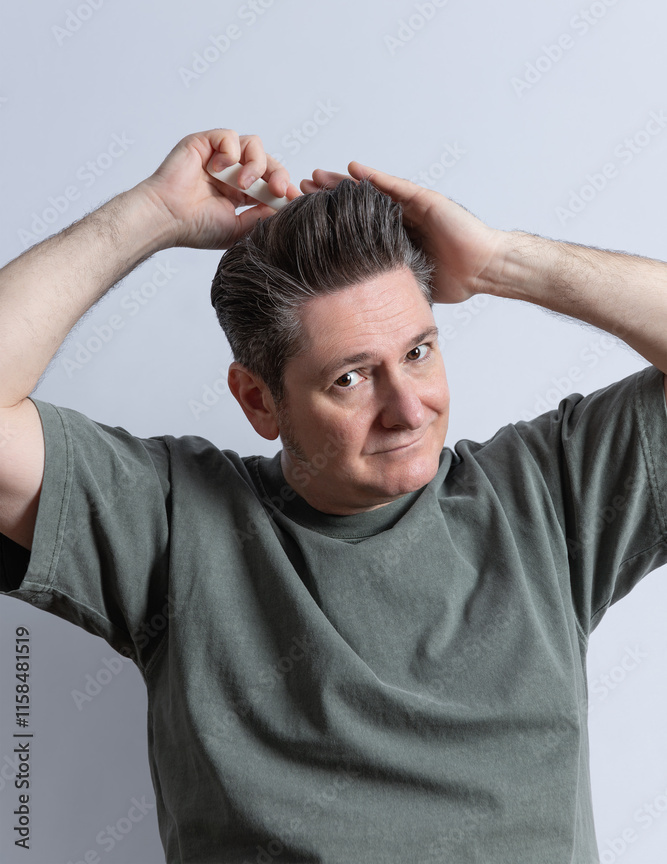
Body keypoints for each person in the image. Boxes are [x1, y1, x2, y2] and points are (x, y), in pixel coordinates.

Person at [1, 127, 666, 864]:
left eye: (417, 352)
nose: (408, 410)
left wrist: (500, 262)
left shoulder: (551, 493)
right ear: (258, 402)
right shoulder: (171, 520)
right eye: (349, 377)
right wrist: (153, 213)